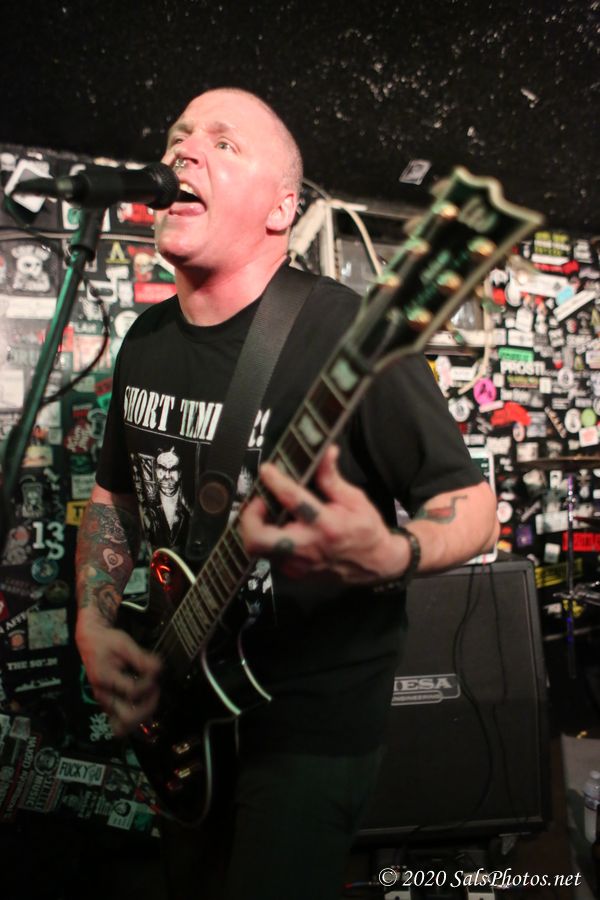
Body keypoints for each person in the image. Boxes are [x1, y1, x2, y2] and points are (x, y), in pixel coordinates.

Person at [75, 87, 499, 900]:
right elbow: (115, 499)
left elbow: (472, 509)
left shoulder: (349, 335)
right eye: (178, 136)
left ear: (282, 208)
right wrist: (93, 623)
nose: (182, 151)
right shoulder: (145, 340)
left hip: (309, 723)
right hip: (181, 697)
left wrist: (394, 552)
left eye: (223, 143)